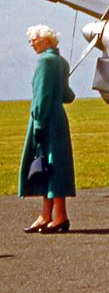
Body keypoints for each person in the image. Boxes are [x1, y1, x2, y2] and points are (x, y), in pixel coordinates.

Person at [18, 25, 76, 234]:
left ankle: (58, 216)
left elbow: (40, 98)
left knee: (47, 165)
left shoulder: (44, 62)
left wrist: (39, 125)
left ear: (46, 40)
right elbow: (68, 96)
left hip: (46, 119)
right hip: (59, 118)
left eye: (34, 39)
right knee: (52, 165)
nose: (31, 42)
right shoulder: (61, 61)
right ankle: (46, 215)